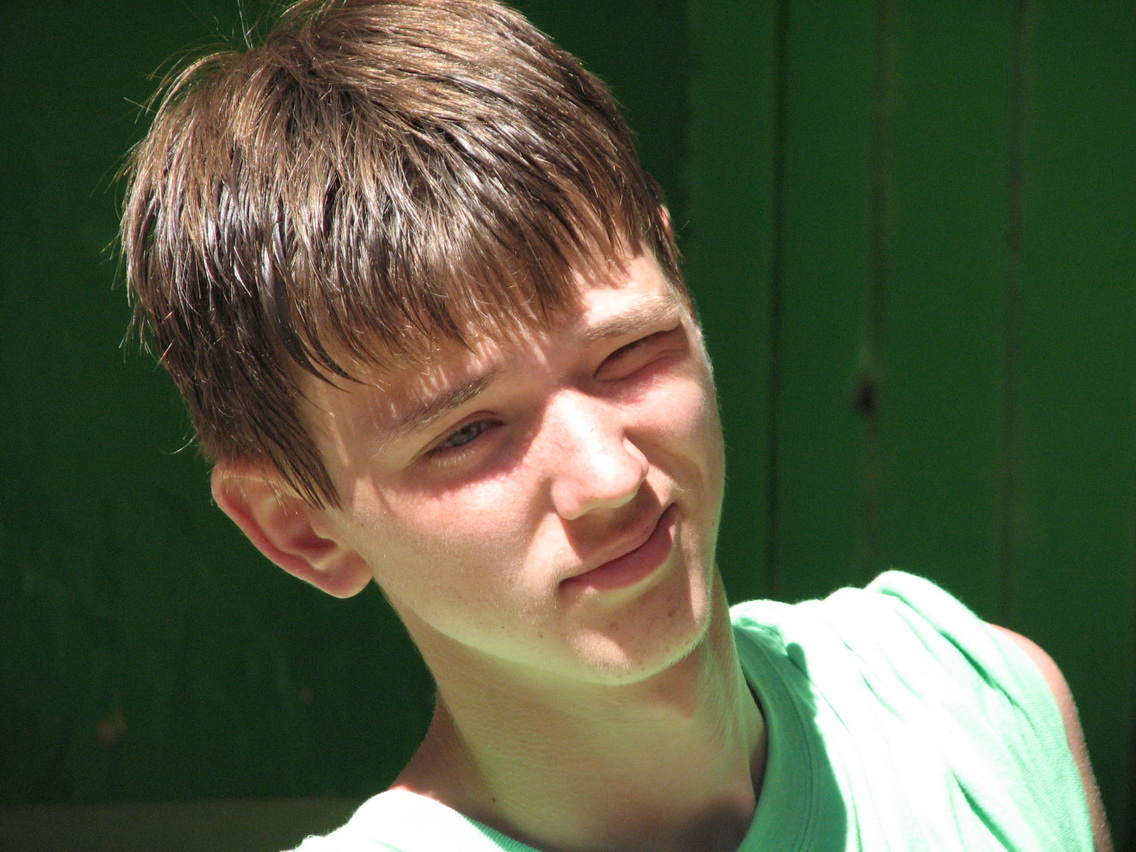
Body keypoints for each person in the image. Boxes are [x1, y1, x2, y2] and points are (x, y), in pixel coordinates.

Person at [119, 1, 1112, 849]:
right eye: (466, 434)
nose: (610, 479)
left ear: (677, 280)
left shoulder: (976, 709)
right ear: (300, 527)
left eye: (629, 352)